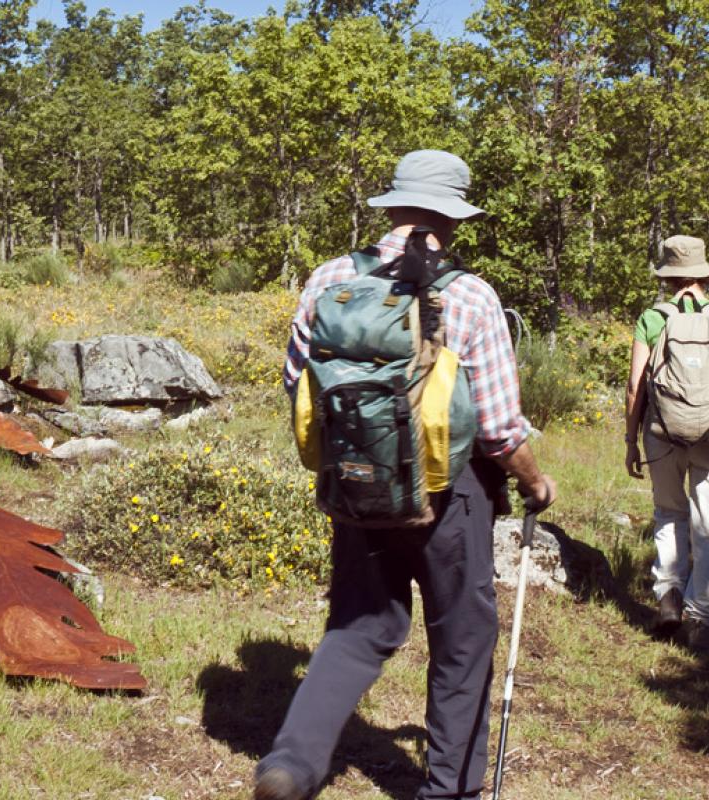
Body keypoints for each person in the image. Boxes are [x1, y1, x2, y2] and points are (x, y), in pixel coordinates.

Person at [257, 150, 558, 800]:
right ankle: (450, 789)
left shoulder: (329, 279)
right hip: (452, 497)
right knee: (462, 638)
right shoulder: (470, 295)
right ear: (454, 218)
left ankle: (291, 764)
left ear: (391, 208)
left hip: (356, 485)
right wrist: (536, 484)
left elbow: (295, 383)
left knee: (359, 626)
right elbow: (502, 429)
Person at [621, 234, 709, 651]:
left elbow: (633, 389)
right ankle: (701, 618)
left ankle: (669, 597)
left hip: (661, 433)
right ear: (704, 276)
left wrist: (630, 441)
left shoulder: (652, 319)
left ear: (668, 277)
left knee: (669, 511)